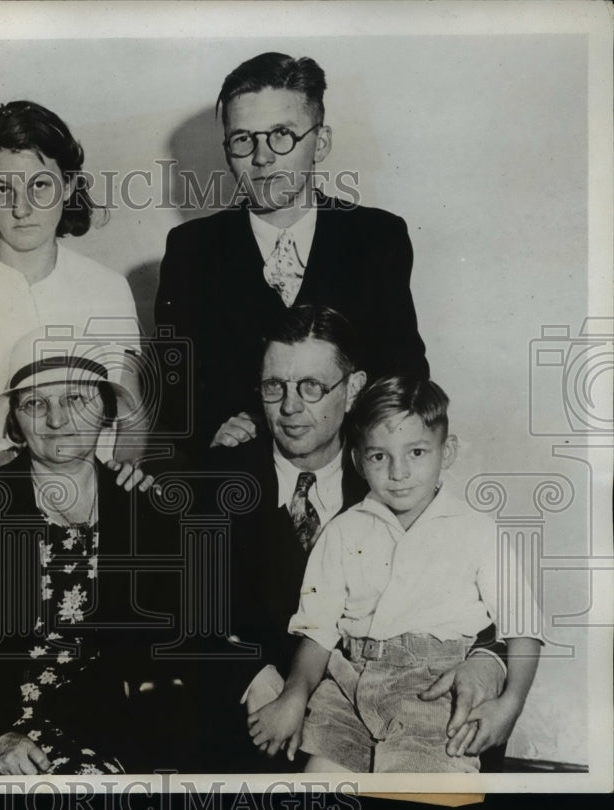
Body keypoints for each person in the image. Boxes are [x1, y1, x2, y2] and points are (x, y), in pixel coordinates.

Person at [195, 306, 506, 772]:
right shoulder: (215, 480)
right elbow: (175, 612)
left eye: (312, 386)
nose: (290, 407)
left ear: (354, 388)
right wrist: (248, 673)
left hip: (405, 714)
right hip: (264, 722)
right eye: (274, 386)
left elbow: (483, 599)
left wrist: (488, 660)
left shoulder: (395, 477)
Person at [0, 329, 187, 775]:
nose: (57, 419)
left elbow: (171, 635)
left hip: (88, 727)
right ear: (15, 422)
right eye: (35, 404)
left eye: (75, 399)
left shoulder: (140, 508)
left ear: (105, 409)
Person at [248, 376, 542, 772]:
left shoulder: (477, 530)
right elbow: (317, 633)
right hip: (349, 688)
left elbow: (523, 626)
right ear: (358, 461)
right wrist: (294, 696)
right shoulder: (341, 531)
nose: (398, 472)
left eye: (417, 452)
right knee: (318, 785)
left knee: (418, 789)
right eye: (379, 457)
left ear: (447, 452)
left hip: (435, 693)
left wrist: (511, 704)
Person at [154, 52, 428, 457]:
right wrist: (214, 426)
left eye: (282, 134)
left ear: (321, 142)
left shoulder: (376, 238)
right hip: (242, 478)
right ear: (227, 149)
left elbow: (404, 373)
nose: (262, 157)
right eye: (243, 139)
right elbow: (173, 384)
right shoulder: (191, 249)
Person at [0, 101, 141, 467]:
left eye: (40, 185)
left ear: (68, 186)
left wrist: (115, 484)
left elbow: (132, 417)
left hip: (93, 485)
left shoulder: (110, 289)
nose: (21, 208)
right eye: (4, 189)